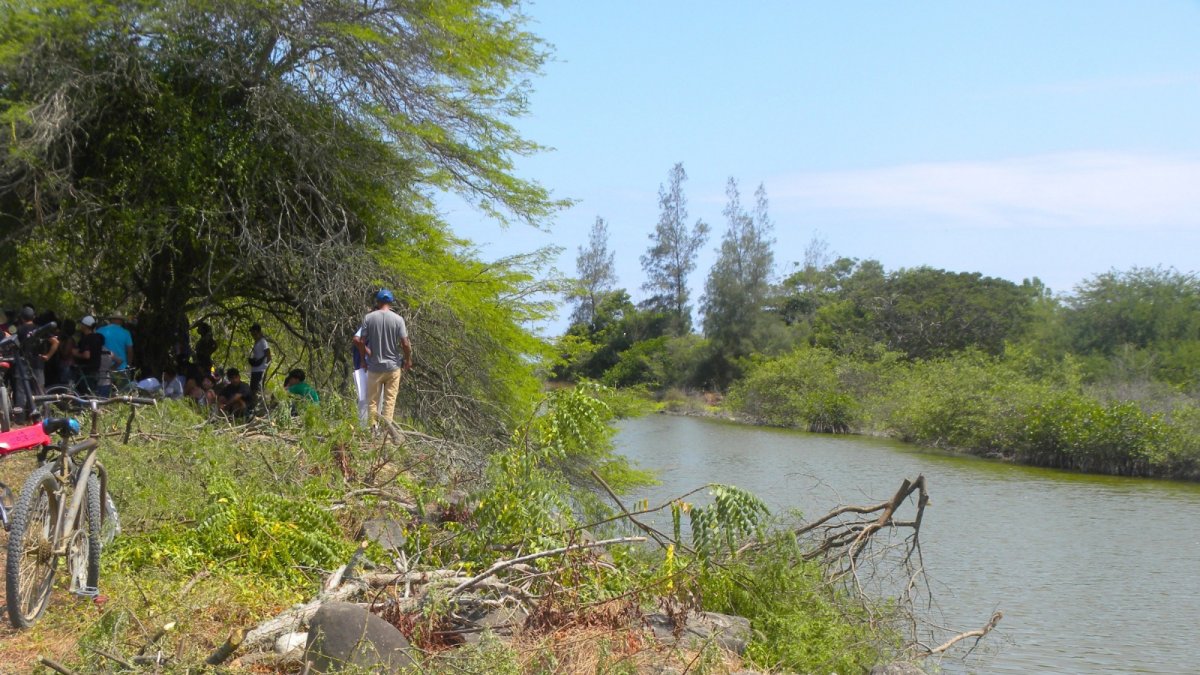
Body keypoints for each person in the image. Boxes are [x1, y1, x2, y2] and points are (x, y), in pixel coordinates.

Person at [358, 289, 412, 429]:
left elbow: (361, 341)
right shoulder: (398, 319)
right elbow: (405, 343)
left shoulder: (368, 318)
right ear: (391, 302)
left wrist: (364, 359)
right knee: (389, 401)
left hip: (374, 367)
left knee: (372, 401)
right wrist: (408, 359)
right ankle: (386, 434)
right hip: (393, 367)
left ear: (378, 301)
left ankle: (373, 429)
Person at [73, 315, 105, 394]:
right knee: (91, 392)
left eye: (81, 324)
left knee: (85, 394)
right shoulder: (97, 338)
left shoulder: (87, 339)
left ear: (85, 326)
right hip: (95, 369)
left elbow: (87, 355)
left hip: (86, 370)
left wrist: (75, 353)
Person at [247, 324, 271, 404]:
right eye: (252, 334)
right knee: (253, 389)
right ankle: (253, 405)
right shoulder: (257, 342)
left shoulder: (263, 342)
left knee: (257, 390)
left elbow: (268, 355)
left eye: (255, 333)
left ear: (259, 332)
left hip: (260, 370)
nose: (253, 335)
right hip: (255, 369)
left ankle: (258, 405)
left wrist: (265, 367)